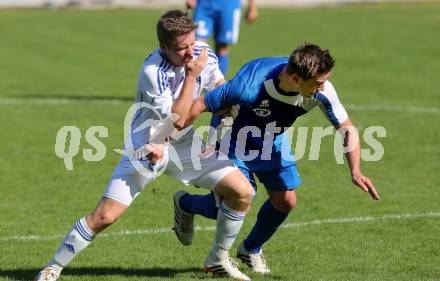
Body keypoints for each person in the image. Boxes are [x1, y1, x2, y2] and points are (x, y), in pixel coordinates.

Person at [35, 10, 254, 281]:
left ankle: (217, 259)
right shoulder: (153, 71)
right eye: (181, 48)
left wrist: (231, 107)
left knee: (242, 192)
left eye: (192, 44)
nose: (190, 53)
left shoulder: (202, 52)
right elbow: (178, 117)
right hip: (148, 145)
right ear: (164, 47)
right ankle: (52, 267)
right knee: (105, 216)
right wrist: (190, 77)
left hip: (183, 143)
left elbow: (219, 87)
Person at [172, 43, 381, 274]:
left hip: (272, 140)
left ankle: (250, 249)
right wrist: (168, 137)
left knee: (285, 201)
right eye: (318, 83)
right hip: (232, 136)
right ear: (295, 78)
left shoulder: (322, 90)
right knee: (233, 200)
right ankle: (186, 205)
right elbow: (200, 104)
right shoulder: (249, 85)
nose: (323, 87)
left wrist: (356, 171)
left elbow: (346, 129)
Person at [185, 0, 257, 76]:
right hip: (204, 4)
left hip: (228, 5)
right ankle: (195, 84)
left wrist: (252, 6)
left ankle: (218, 85)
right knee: (198, 45)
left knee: (222, 47)